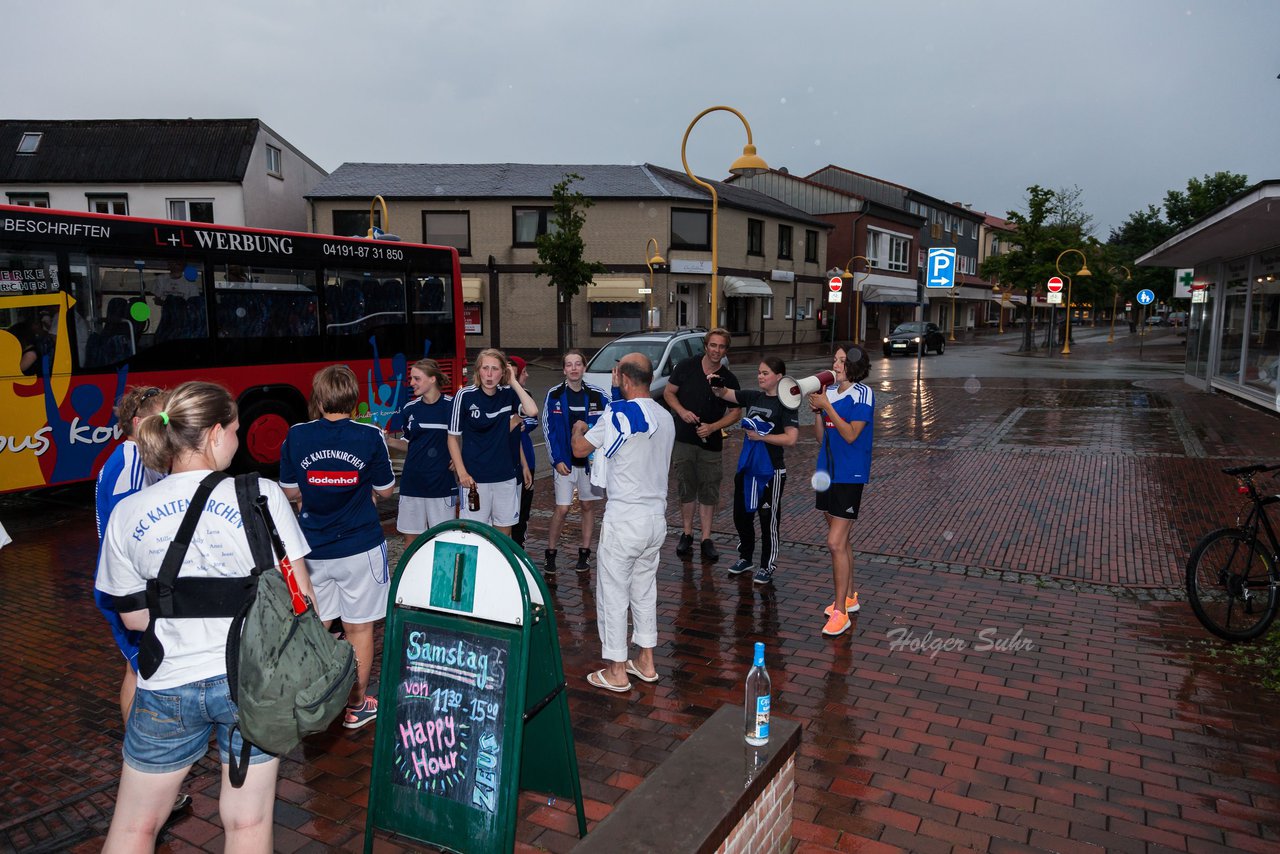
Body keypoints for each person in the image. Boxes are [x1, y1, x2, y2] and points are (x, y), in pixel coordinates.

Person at [96, 381, 314, 852]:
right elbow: (302, 600)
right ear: (216, 434)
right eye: (235, 431)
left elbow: (132, 620)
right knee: (248, 824)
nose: (238, 441)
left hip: (166, 684)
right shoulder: (261, 494)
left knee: (135, 827)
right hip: (249, 683)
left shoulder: (128, 513)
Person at [278, 364, 395, 730]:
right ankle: (356, 705)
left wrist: (314, 492)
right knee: (359, 629)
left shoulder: (297, 435)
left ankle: (314, 699)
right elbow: (386, 489)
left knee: (318, 626)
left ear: (319, 396)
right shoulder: (369, 436)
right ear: (353, 397)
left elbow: (289, 490)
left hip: (313, 549)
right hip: (360, 546)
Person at [572, 353, 674, 691]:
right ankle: (646, 659)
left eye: (617, 374)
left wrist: (579, 427)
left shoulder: (617, 413)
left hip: (625, 516)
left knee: (613, 592)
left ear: (625, 380)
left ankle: (616, 669)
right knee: (644, 589)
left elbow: (579, 449)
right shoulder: (666, 415)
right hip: (655, 517)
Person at [93, 386, 167, 725]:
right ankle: (141, 745)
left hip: (131, 583)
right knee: (144, 668)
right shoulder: (130, 460)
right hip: (128, 587)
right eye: (161, 418)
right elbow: (132, 531)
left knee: (137, 667)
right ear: (138, 423)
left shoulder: (143, 458)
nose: (168, 425)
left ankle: (139, 741)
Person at [711, 357, 799, 586]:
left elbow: (791, 439)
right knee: (741, 515)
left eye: (766, 373)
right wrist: (717, 385)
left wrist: (763, 437)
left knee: (768, 519)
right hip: (748, 468)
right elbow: (725, 394)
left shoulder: (786, 403)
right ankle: (745, 557)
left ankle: (767, 566)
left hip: (771, 471)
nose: (760, 376)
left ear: (779, 377)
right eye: (759, 372)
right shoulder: (753, 396)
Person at [806, 345, 874, 638]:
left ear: (854, 368)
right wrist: (817, 413)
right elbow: (823, 437)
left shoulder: (863, 394)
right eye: (834, 359)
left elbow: (850, 434)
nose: (835, 365)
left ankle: (841, 613)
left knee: (834, 542)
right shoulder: (830, 392)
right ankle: (849, 596)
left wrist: (828, 407)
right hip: (827, 472)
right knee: (841, 539)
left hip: (850, 474)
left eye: (841, 361)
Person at [663, 327, 741, 562]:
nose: (717, 350)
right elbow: (668, 393)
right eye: (713, 345)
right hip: (684, 439)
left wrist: (714, 426)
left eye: (722, 347)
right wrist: (681, 411)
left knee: (709, 491)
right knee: (686, 487)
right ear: (706, 346)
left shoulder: (728, 378)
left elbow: (736, 412)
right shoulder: (686, 367)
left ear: (726, 350)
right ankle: (686, 534)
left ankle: (706, 538)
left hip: (711, 444)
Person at [448, 348, 539, 536]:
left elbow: (532, 411)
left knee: (503, 536)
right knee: (475, 535)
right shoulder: (464, 396)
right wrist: (462, 472)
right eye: (485, 368)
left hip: (504, 477)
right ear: (478, 370)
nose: (489, 374)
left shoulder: (508, 394)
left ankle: (499, 566)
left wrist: (513, 381)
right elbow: (452, 437)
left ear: (503, 372)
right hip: (474, 480)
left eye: (495, 369)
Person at [542, 349, 610, 572]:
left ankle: (585, 553)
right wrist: (556, 460)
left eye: (577, 364)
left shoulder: (597, 395)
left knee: (587, 505)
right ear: (564, 369)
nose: (573, 368)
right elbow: (548, 429)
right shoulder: (554, 395)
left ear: (584, 367)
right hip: (564, 465)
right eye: (569, 364)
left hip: (589, 465)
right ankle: (550, 552)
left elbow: (612, 417)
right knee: (562, 509)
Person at [387, 359, 457, 548]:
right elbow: (410, 444)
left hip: (441, 484)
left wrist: (461, 457)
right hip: (412, 484)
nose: (411, 383)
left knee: (443, 540)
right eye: (411, 378)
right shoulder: (410, 409)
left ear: (432, 379)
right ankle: (413, 577)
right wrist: (388, 441)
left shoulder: (453, 406)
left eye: (417, 378)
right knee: (411, 540)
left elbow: (467, 437)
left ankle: (441, 578)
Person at [508, 356, 539, 549]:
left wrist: (521, 424)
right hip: (507, 463)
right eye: (524, 371)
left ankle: (519, 549)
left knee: (522, 512)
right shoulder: (499, 395)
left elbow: (533, 420)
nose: (526, 375)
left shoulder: (525, 395)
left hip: (526, 459)